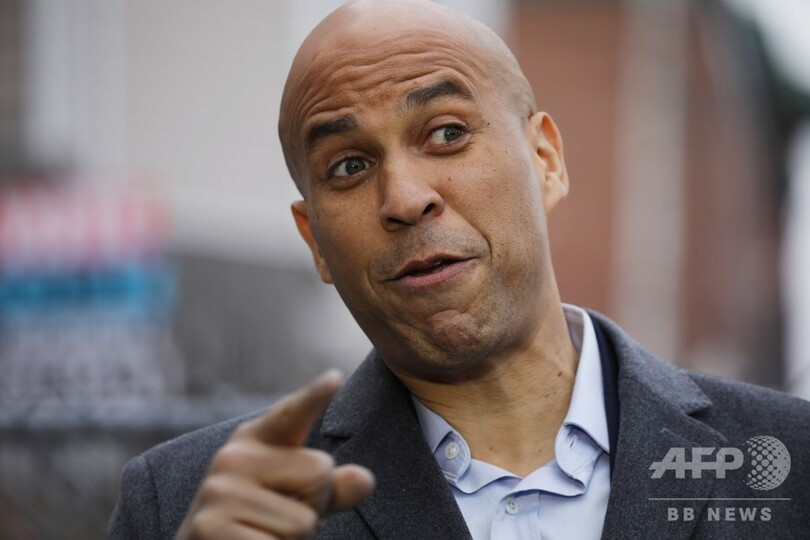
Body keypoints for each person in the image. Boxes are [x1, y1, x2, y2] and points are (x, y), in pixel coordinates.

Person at [109, 1, 810, 538]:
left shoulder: (788, 458)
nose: (404, 198)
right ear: (314, 240)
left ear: (546, 161)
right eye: (349, 166)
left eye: (446, 133)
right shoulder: (188, 508)